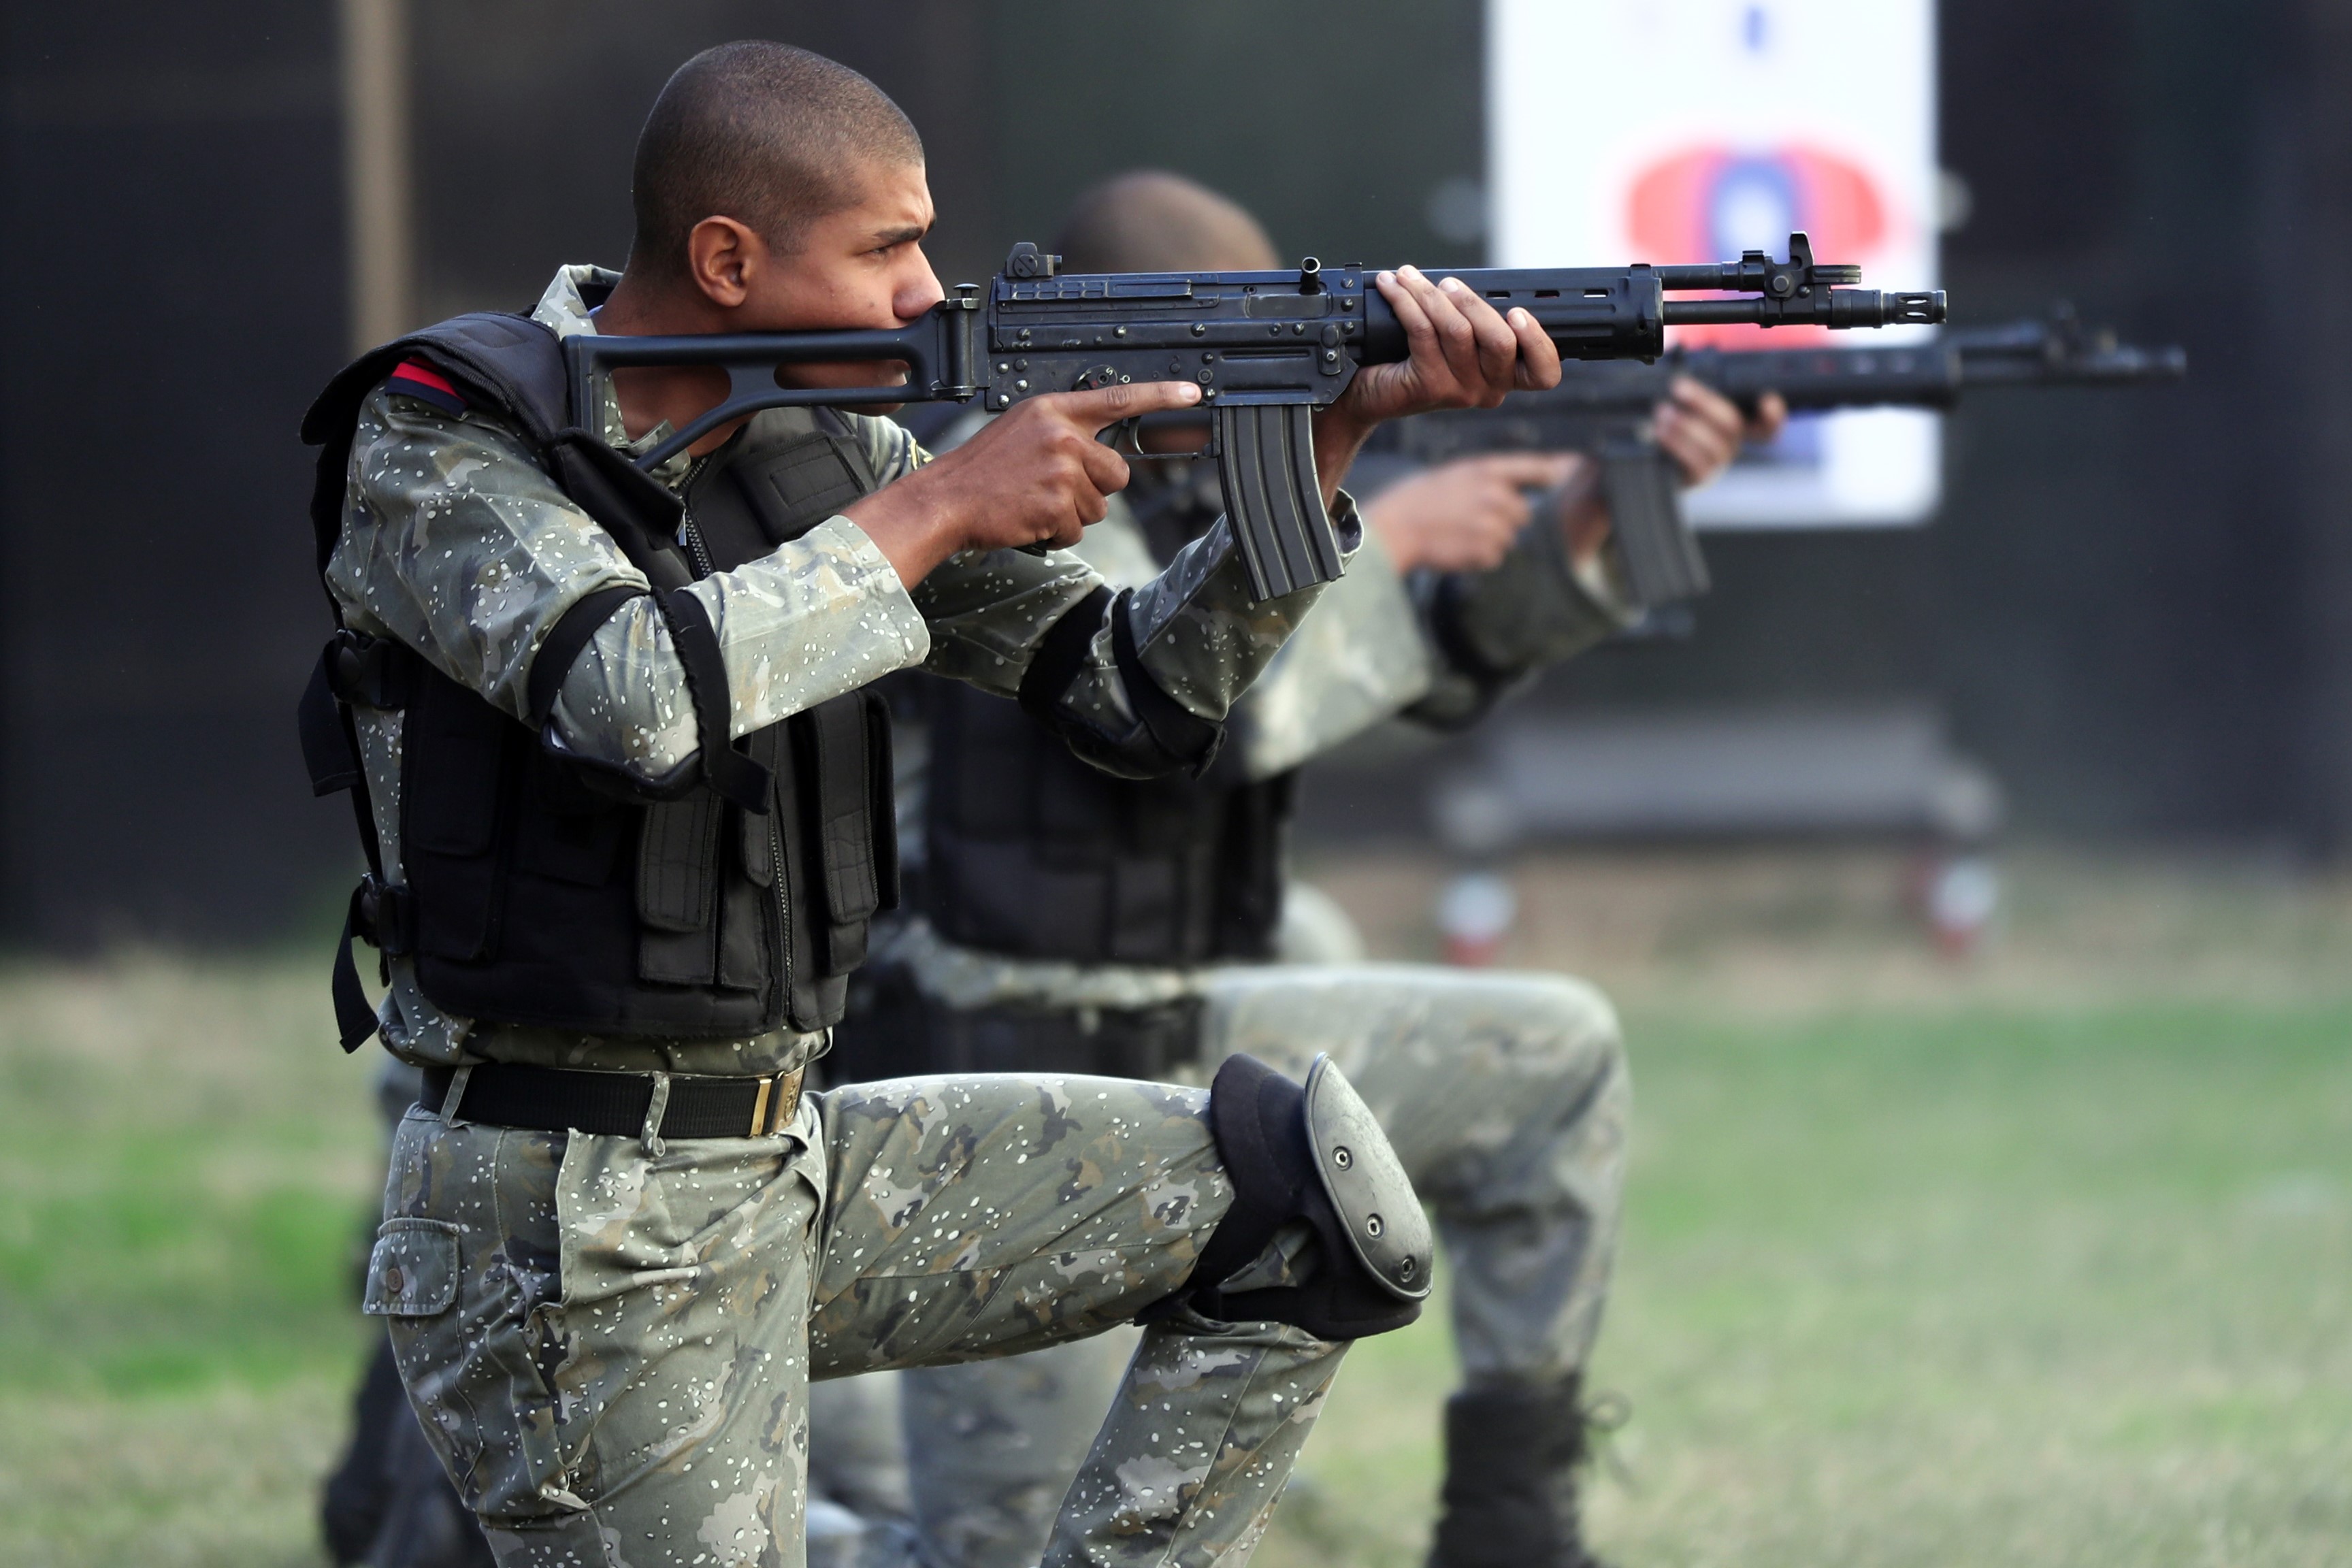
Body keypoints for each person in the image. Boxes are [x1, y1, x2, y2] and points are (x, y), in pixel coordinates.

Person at [298, 42, 1563, 1568]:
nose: (924, 289)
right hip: (568, 1223)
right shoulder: (450, 436)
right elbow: (630, 698)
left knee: (1293, 1197)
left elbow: (1133, 695)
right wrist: (946, 499)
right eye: (887, 245)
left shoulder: (826, 452)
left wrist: (1321, 450)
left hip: (786, 1164)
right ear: (726, 258)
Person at [814, 171, 1786, 1568]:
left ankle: (1511, 1522)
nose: (1278, 380)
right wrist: (1383, 538)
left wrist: (1588, 517)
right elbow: (1197, 712)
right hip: (1015, 1052)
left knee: (1551, 1054)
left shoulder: (1200, 479)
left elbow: (1435, 670)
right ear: (1129, 343)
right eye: (1243, 346)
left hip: (1201, 1026)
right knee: (993, 1551)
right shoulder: (1010, 478)